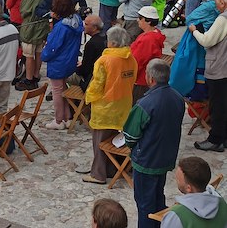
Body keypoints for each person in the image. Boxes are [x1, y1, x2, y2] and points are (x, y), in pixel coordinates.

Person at [122, 59, 184, 228]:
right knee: (158, 197)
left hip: (146, 161)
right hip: (166, 157)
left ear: (150, 78)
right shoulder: (178, 98)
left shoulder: (145, 104)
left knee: (145, 205)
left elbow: (130, 136)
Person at [83, 26, 137, 185]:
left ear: (112, 42)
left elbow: (97, 84)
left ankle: (98, 174)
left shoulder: (105, 60)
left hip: (105, 107)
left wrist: (89, 97)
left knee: (100, 142)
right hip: (123, 104)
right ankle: (112, 168)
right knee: (115, 140)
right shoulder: (131, 58)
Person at [189, 0, 227, 152]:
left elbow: (207, 41)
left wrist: (195, 31)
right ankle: (223, 137)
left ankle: (215, 140)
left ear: (222, 2)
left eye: (217, 4)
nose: (216, 7)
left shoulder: (223, 19)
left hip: (219, 66)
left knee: (217, 106)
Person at [41, 0, 84, 130]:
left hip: (59, 62)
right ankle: (67, 117)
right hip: (70, 59)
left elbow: (53, 46)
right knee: (63, 89)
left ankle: (58, 120)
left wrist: (44, 55)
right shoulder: (76, 20)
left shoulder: (61, 27)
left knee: (57, 91)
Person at [162, 157, 227, 227]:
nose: (176, 181)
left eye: (178, 179)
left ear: (188, 188)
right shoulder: (222, 204)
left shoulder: (176, 216)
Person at [15, 0, 50, 91]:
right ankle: (36, 75)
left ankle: (29, 79)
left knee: (29, 54)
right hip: (43, 25)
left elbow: (25, 9)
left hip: (31, 26)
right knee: (39, 52)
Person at [130, 6, 166, 103]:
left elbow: (137, 62)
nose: (137, 20)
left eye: (140, 18)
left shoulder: (147, 40)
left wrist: (129, 77)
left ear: (148, 21)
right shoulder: (154, 34)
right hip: (146, 78)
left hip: (140, 81)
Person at [68, 15, 107, 91]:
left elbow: (85, 69)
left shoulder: (91, 44)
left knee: (65, 76)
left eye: (86, 24)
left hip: (92, 80)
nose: (84, 26)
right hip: (102, 75)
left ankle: (69, 97)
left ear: (94, 28)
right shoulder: (105, 38)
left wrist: (76, 69)